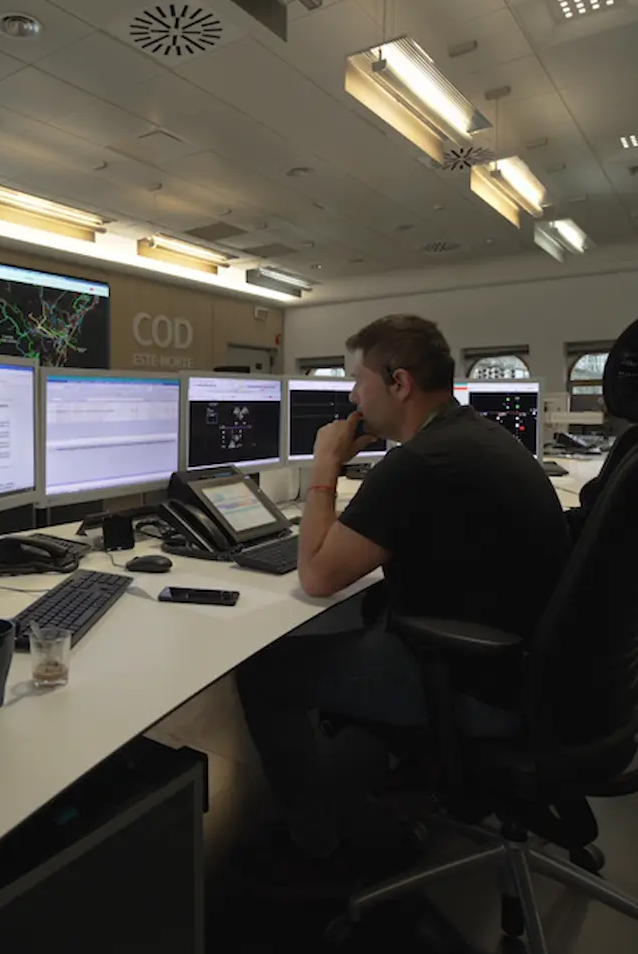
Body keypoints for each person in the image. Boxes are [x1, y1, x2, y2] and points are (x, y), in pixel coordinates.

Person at [237, 314, 570, 880]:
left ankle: (315, 840)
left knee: (264, 671)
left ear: (399, 384)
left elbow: (316, 576)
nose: (351, 396)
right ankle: (385, 786)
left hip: (477, 681)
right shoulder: (476, 435)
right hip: (534, 668)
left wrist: (325, 464)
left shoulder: (415, 464)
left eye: (357, 381)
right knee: (365, 617)